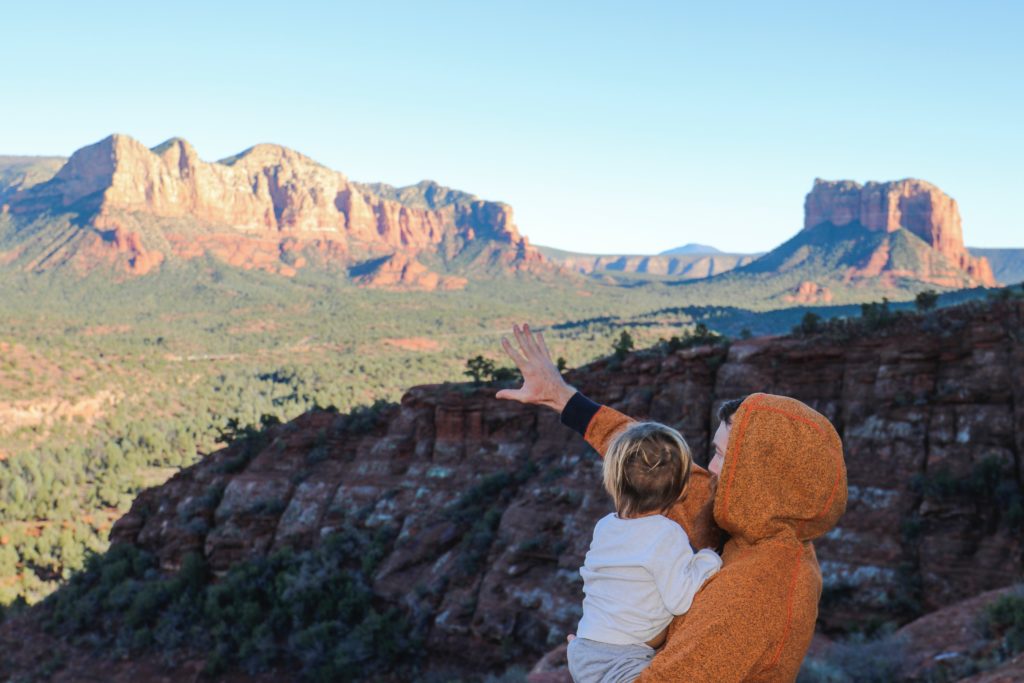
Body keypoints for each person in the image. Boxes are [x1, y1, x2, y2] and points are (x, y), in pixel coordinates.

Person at [498, 324, 847, 682]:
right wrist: (564, 399)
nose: (709, 467)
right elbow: (650, 463)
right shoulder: (756, 522)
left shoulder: (760, 592)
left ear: (760, 475)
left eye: (722, 456)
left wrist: (601, 662)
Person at [568, 421, 722, 683]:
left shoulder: (605, 525)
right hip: (623, 659)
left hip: (583, 648)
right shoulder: (666, 533)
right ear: (683, 488)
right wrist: (708, 558)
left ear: (613, 479)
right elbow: (680, 599)